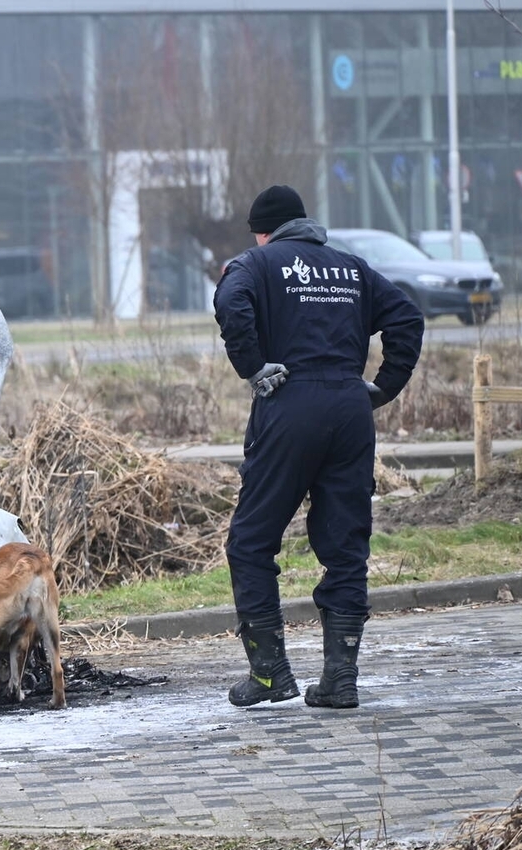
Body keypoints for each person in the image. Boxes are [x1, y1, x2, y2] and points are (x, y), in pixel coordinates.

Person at [213, 185, 424, 709]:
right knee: (345, 547)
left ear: (264, 231)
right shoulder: (352, 268)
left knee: (251, 542)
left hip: (290, 404)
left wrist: (254, 368)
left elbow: (229, 302)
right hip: (351, 410)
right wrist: (384, 386)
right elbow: (407, 318)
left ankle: (270, 676)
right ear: (305, 225)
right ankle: (339, 681)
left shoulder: (256, 264)